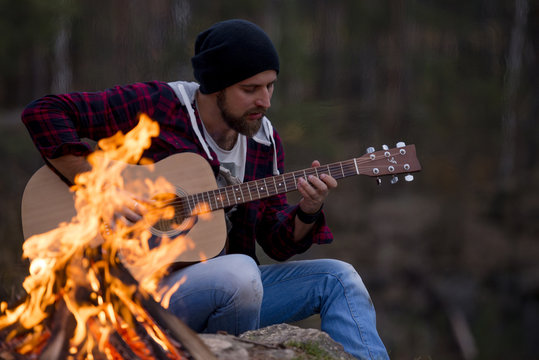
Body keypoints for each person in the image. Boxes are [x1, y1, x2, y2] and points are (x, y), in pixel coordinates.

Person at [21, 19, 389, 359]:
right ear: (215, 87)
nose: (266, 101)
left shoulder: (264, 141)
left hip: (227, 295)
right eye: (250, 89)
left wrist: (307, 211)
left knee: (338, 277)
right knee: (240, 274)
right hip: (128, 296)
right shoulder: (159, 106)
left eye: (270, 85)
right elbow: (44, 113)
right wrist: (102, 189)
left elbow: (276, 243)